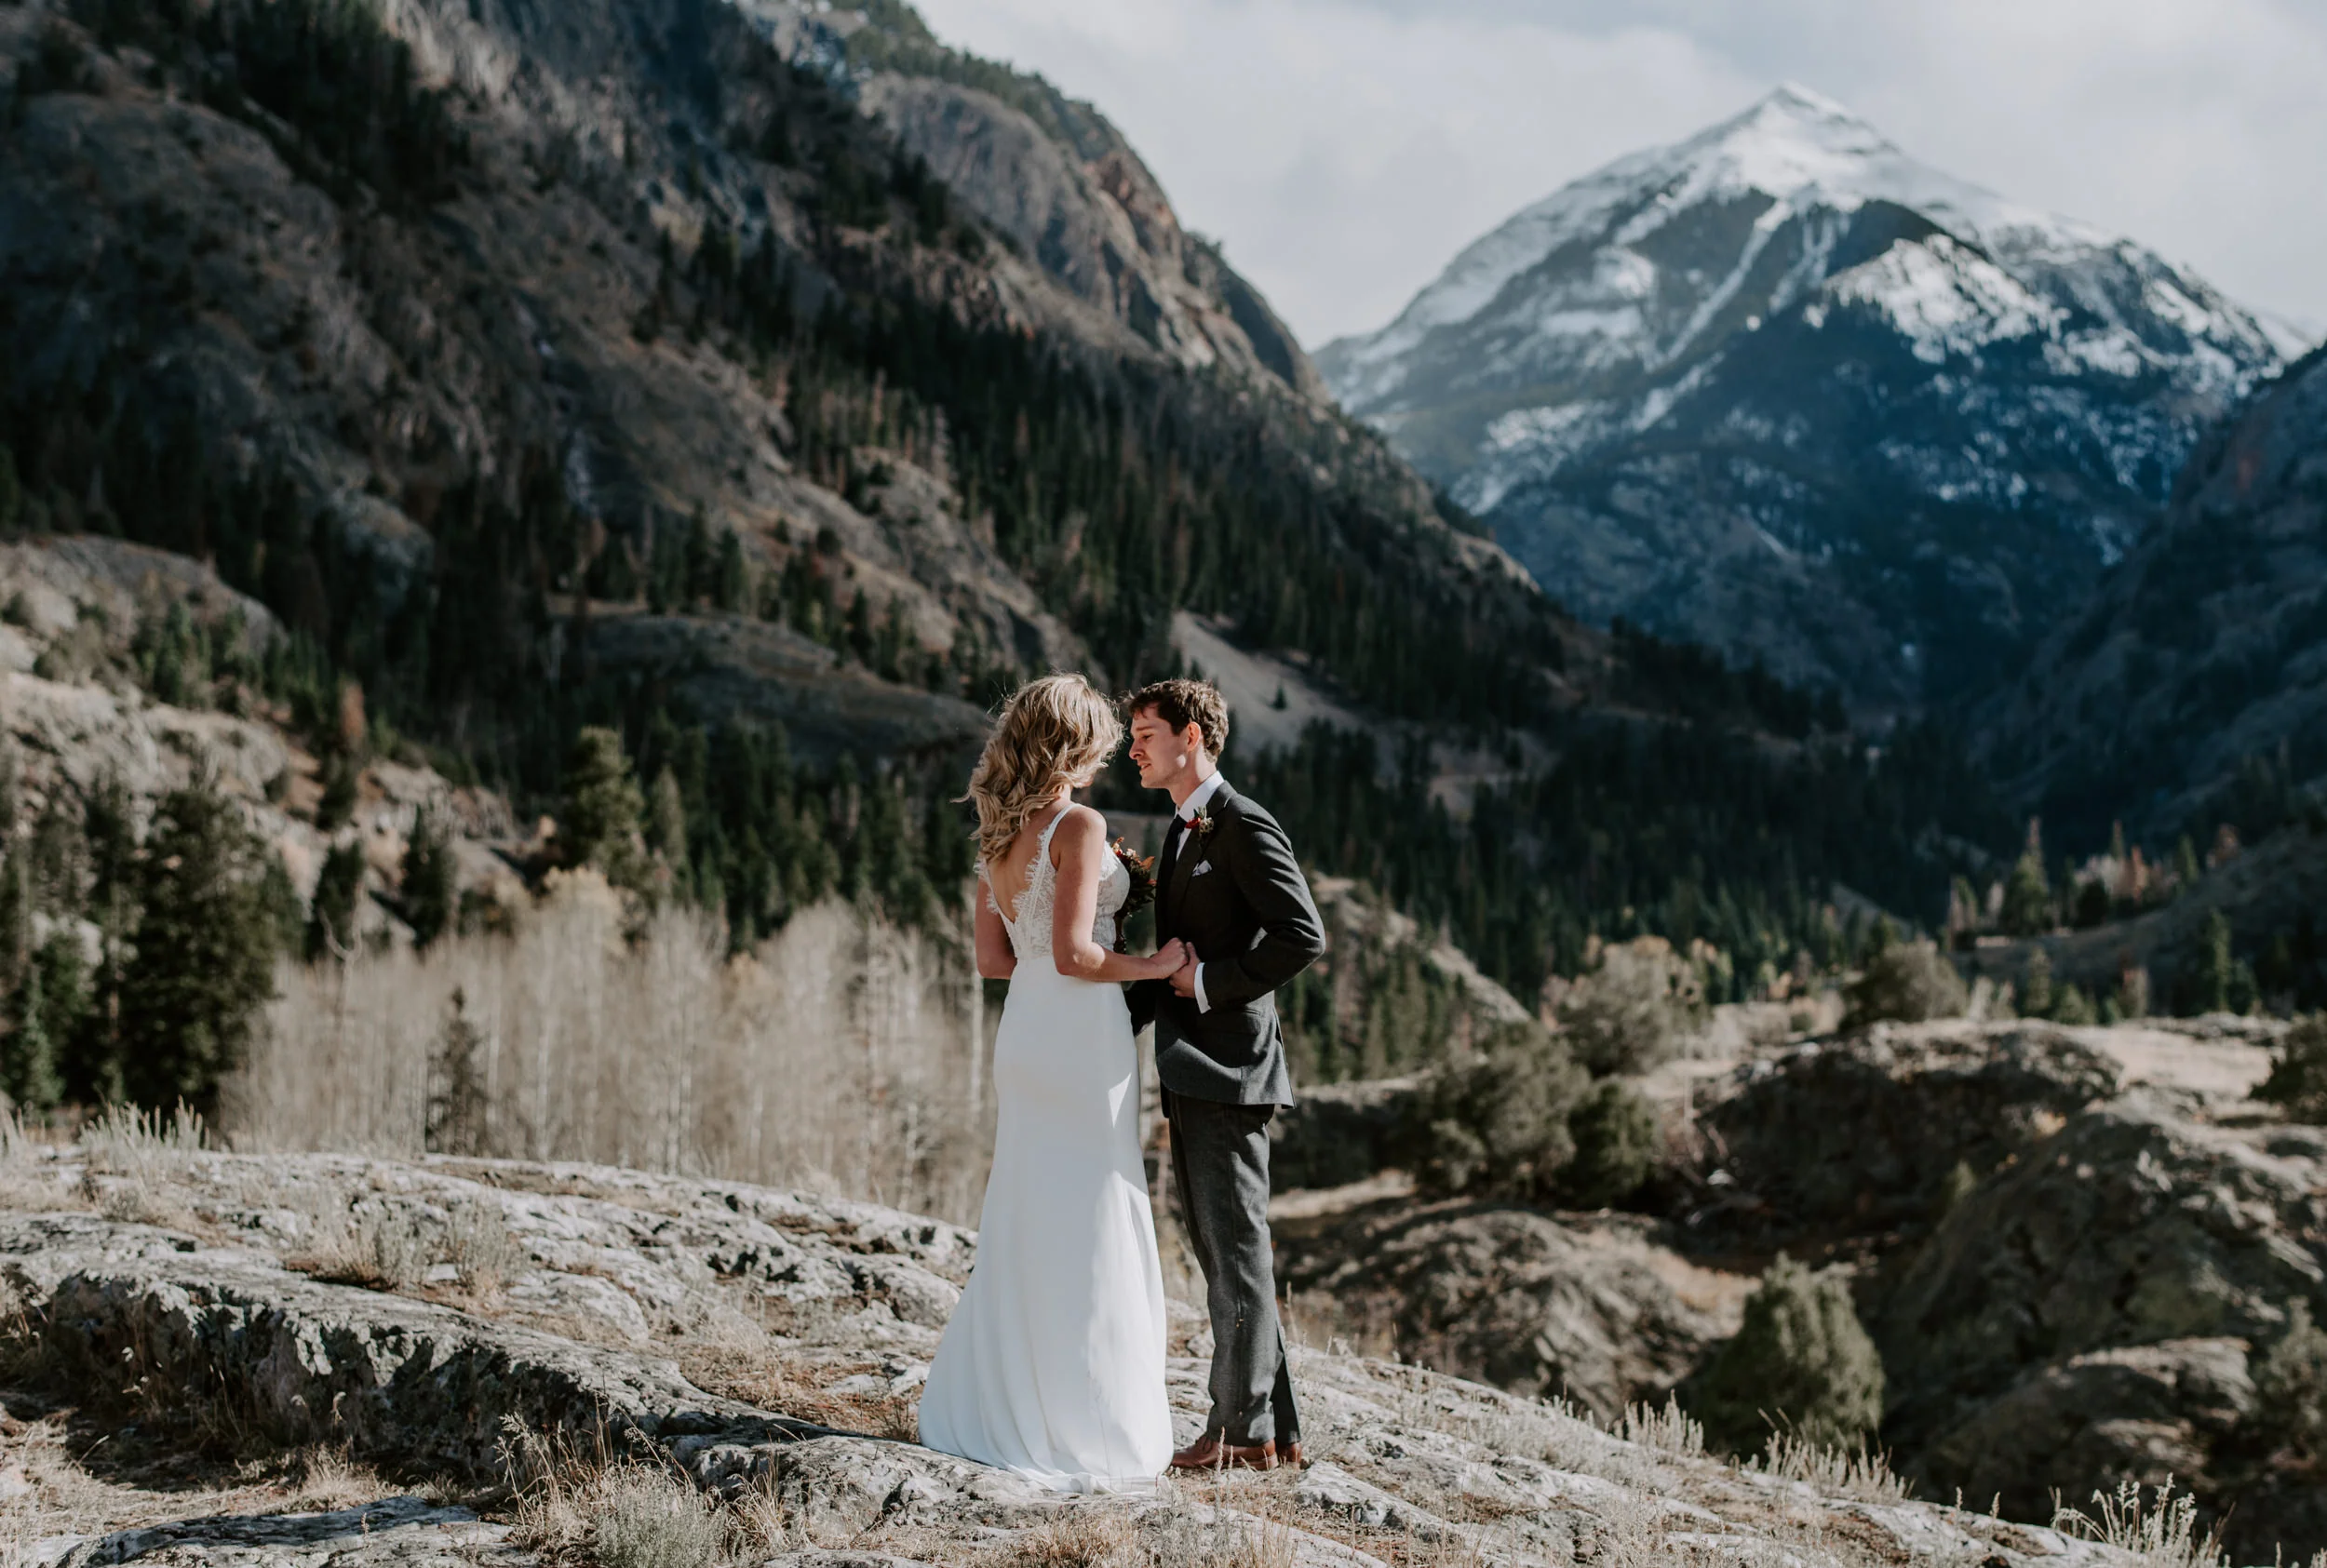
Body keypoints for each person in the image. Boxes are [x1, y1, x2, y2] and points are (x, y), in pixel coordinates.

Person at [917, 674, 1186, 1492]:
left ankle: (1009, 1396)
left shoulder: (998, 833)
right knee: (1096, 1199)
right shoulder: (1079, 823)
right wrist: (1155, 963)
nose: (1112, 749)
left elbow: (995, 961)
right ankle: (1086, 1416)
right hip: (1077, 1030)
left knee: (1031, 1201)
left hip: (1027, 1030)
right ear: (1076, 742)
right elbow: (1076, 953)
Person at [1125, 678, 1325, 1471]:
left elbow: (1301, 933)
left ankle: (1237, 1437)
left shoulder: (1241, 822)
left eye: (1146, 732)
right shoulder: (1180, 828)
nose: (1134, 747)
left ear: (1193, 736)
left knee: (1236, 1252)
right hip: (1191, 1071)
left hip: (1231, 1068)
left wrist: (1206, 985)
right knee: (1222, 1253)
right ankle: (1276, 1431)